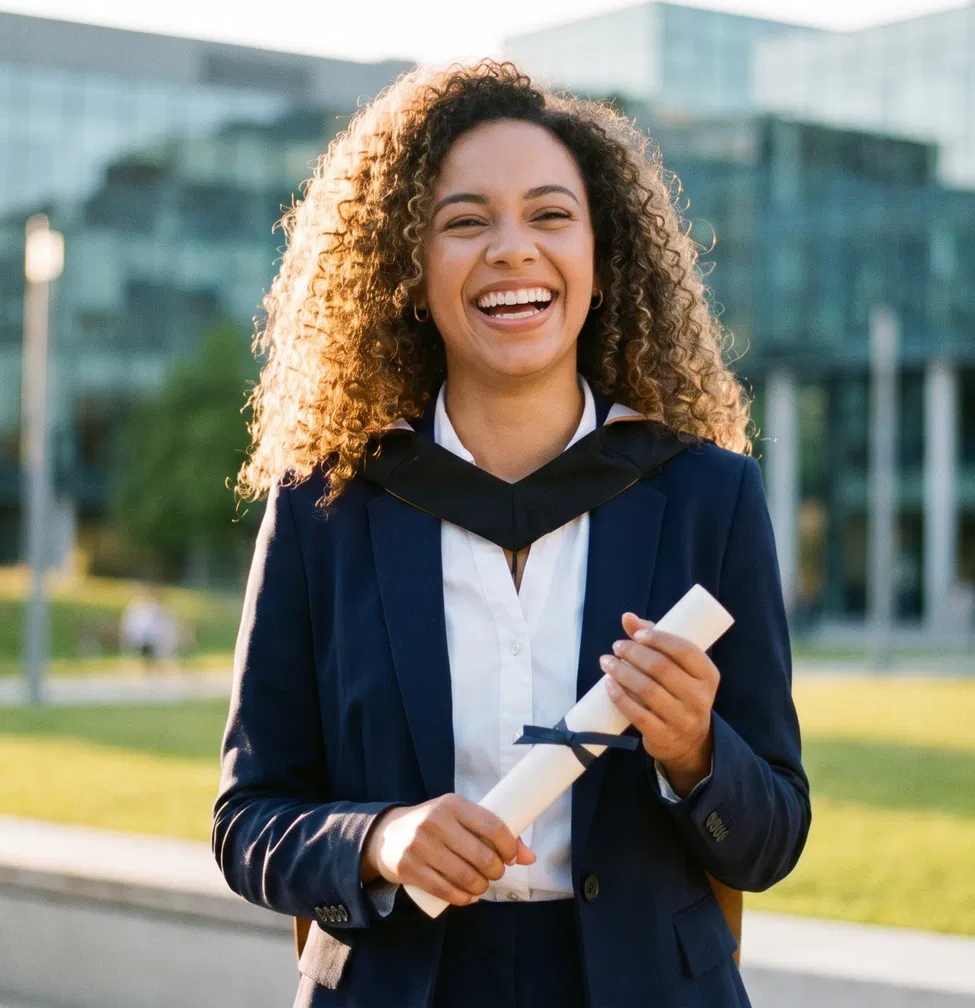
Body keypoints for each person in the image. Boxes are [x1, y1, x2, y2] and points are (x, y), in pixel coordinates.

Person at [213, 62, 809, 1008]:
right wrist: (380, 839)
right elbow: (247, 822)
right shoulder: (325, 511)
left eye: (549, 215)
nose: (511, 250)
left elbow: (773, 835)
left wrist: (696, 749)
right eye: (464, 221)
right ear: (408, 271)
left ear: (602, 260)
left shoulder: (707, 498)